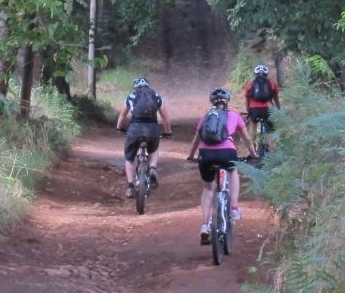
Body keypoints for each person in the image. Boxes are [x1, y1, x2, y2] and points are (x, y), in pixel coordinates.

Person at [187, 87, 256, 243]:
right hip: (227, 152)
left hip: (205, 154)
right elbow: (247, 139)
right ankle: (234, 208)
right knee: (233, 172)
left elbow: (196, 141)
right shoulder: (234, 116)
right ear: (227, 101)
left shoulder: (206, 117)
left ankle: (205, 226)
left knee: (208, 188)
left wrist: (192, 156)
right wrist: (253, 153)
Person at [116, 76, 172, 199]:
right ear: (148, 86)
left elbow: (122, 116)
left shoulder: (131, 97)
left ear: (135, 87)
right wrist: (168, 132)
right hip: (152, 129)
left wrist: (119, 128)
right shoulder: (156, 96)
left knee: (129, 158)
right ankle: (152, 168)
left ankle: (130, 187)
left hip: (134, 129)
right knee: (154, 148)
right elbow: (166, 119)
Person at [244, 63, 280, 144]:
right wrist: (278, 110)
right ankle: (273, 152)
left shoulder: (249, 85)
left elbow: (247, 101)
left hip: (255, 110)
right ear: (266, 74)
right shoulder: (272, 84)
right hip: (268, 110)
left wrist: (249, 112)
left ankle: (253, 151)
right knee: (271, 132)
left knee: (253, 128)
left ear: (255, 74)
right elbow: (276, 99)